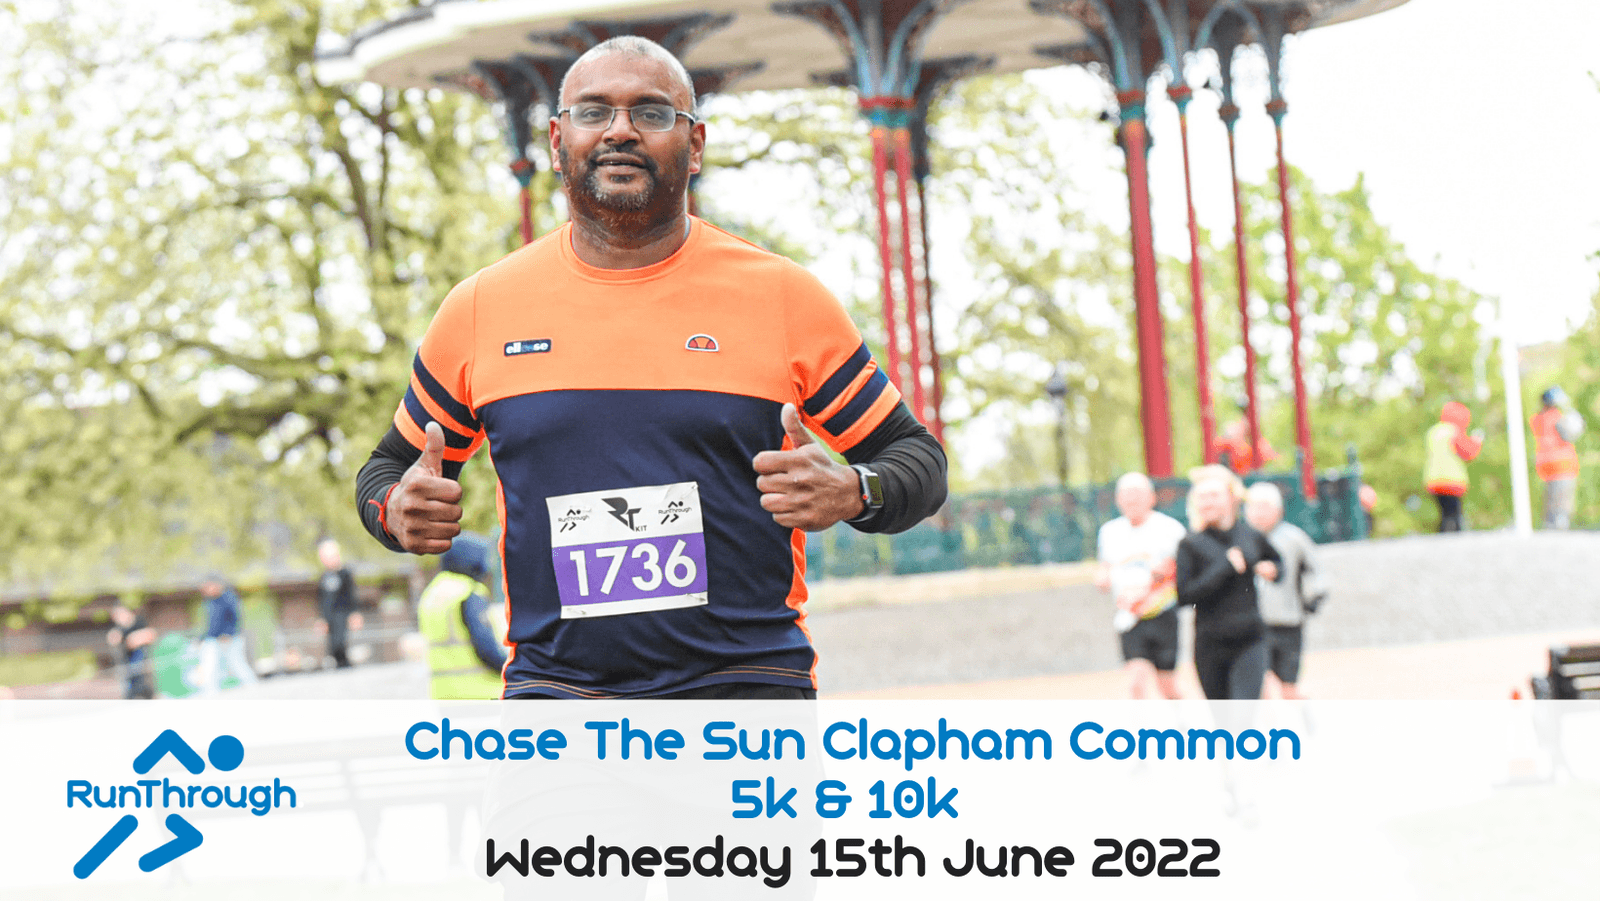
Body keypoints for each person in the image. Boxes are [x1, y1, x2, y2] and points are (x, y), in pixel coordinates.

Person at [354, 36, 947, 700]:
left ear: (694, 145)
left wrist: (854, 490)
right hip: (559, 704)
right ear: (556, 140)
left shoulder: (782, 298)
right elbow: (384, 473)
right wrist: (393, 510)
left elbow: (918, 462)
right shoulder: (480, 309)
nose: (620, 131)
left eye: (652, 113)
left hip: (746, 697)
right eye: (593, 111)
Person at [1175, 466, 1282, 701]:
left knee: (1242, 715)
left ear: (1232, 498)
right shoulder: (1190, 544)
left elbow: (1277, 562)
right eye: (1202, 497)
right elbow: (1184, 596)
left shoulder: (1250, 535)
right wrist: (1224, 567)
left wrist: (1274, 570)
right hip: (1209, 646)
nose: (1208, 503)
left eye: (1214, 496)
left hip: (1250, 639)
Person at [1094, 472, 1187, 699]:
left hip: (1163, 613)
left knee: (1167, 685)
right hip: (1130, 615)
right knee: (1135, 683)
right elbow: (1105, 566)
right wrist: (1102, 576)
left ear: (1151, 498)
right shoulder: (1110, 532)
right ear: (1118, 500)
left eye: (1137, 494)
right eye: (1126, 495)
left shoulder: (1170, 530)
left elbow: (1185, 571)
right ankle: (1140, 733)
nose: (1131, 500)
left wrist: (1162, 577)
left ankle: (1184, 727)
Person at [1243, 483, 1327, 700]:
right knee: (1258, 684)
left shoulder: (1293, 538)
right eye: (1253, 507)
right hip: (1253, 622)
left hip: (1288, 619)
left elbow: (1317, 570)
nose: (1259, 514)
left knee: (1288, 687)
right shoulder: (1240, 539)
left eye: (1264, 507)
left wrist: (1315, 596)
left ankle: (1304, 721)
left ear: (1278, 511)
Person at [418, 533, 509, 699]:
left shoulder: (432, 593)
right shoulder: (467, 593)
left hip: (444, 695)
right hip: (481, 692)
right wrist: (515, 671)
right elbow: (486, 648)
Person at [1423, 401, 1484, 532]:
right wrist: (1476, 441)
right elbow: (1467, 453)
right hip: (1452, 481)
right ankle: (1453, 541)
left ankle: (1441, 538)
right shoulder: (1454, 432)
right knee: (1454, 515)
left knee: (1444, 514)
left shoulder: (1434, 432)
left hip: (1433, 480)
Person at [1530, 386, 1582, 529]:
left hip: (1545, 465)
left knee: (1551, 499)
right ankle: (1559, 526)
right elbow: (1570, 435)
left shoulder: (1538, 419)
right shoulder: (1557, 418)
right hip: (1563, 464)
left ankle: (1550, 525)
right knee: (1562, 500)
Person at [196, 578, 257, 694]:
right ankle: (210, 691)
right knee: (210, 664)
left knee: (236, 662)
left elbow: (236, 618)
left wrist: (228, 633)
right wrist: (202, 638)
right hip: (213, 638)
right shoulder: (210, 602)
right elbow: (212, 623)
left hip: (230, 638)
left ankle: (251, 684)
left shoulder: (228, 598)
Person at [315, 538, 362, 668]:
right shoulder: (324, 577)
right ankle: (340, 667)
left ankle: (346, 667)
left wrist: (354, 613)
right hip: (330, 617)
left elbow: (351, 595)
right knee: (332, 648)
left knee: (340, 644)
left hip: (343, 614)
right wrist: (322, 619)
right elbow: (322, 600)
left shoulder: (345, 574)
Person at [106, 602, 157, 699]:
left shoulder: (139, 622)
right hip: (128, 668)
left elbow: (150, 634)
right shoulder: (118, 629)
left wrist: (138, 638)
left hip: (143, 667)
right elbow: (114, 641)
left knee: (145, 691)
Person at [1212, 416, 1278, 475]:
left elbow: (1269, 457)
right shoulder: (1230, 443)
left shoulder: (1259, 444)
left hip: (1250, 474)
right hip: (1236, 474)